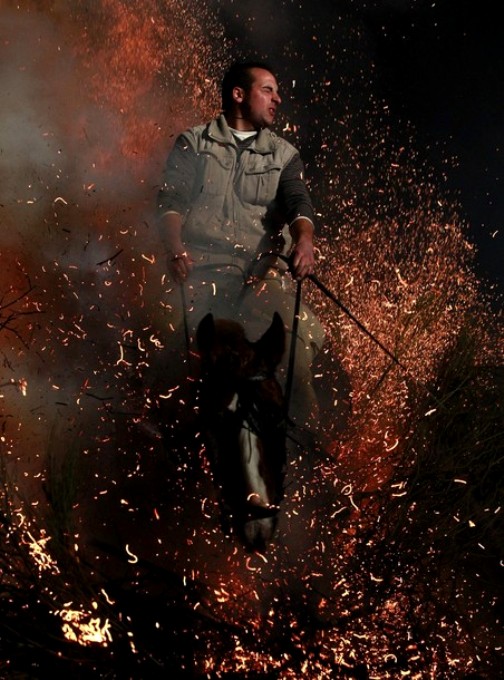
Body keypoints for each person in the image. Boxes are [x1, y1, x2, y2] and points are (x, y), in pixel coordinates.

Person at [156, 61, 325, 434]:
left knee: (296, 360)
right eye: (268, 89)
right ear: (238, 94)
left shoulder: (284, 155)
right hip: (201, 274)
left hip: (263, 279)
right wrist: (174, 247)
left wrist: (305, 242)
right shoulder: (193, 142)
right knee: (168, 357)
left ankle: (303, 451)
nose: (277, 98)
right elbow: (170, 199)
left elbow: (299, 203)